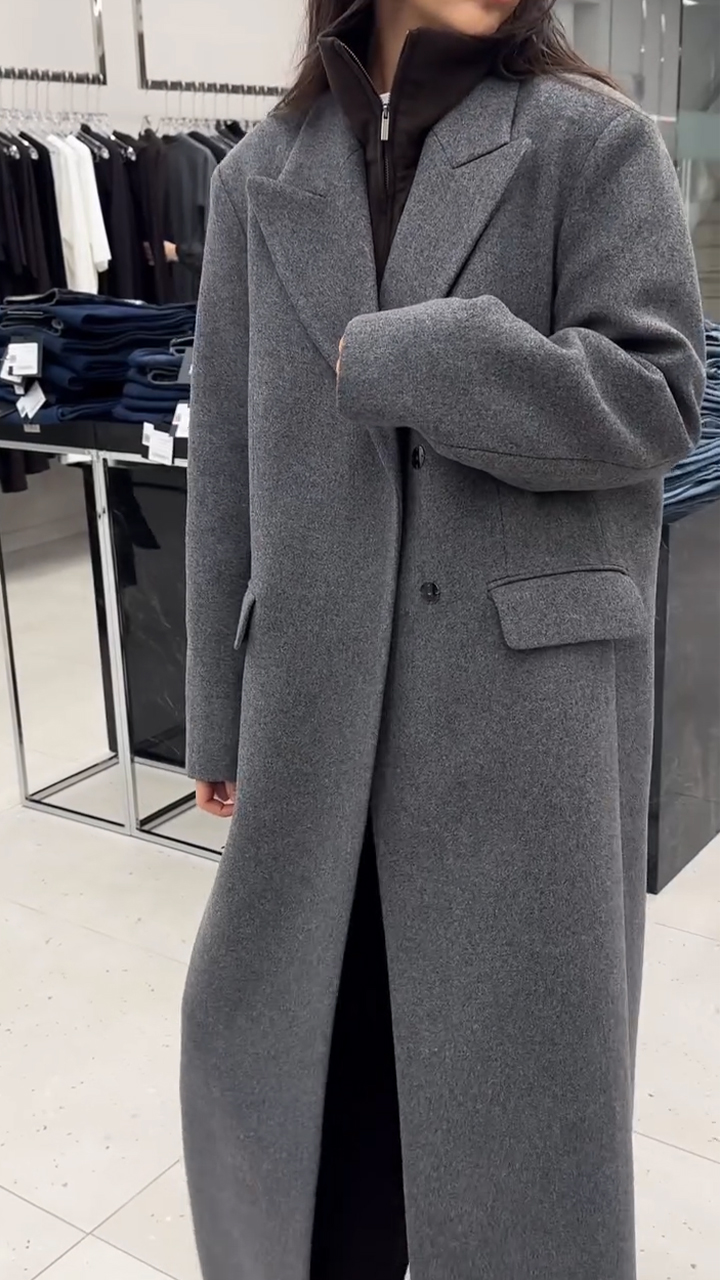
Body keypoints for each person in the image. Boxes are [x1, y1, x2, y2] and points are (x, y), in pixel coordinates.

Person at [181, 1, 706, 1278]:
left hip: (520, 722)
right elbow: (226, 462)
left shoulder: (591, 141)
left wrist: (435, 354)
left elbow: (657, 396)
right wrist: (214, 709)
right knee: (316, 1099)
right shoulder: (261, 175)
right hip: (315, 709)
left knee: (511, 1120)